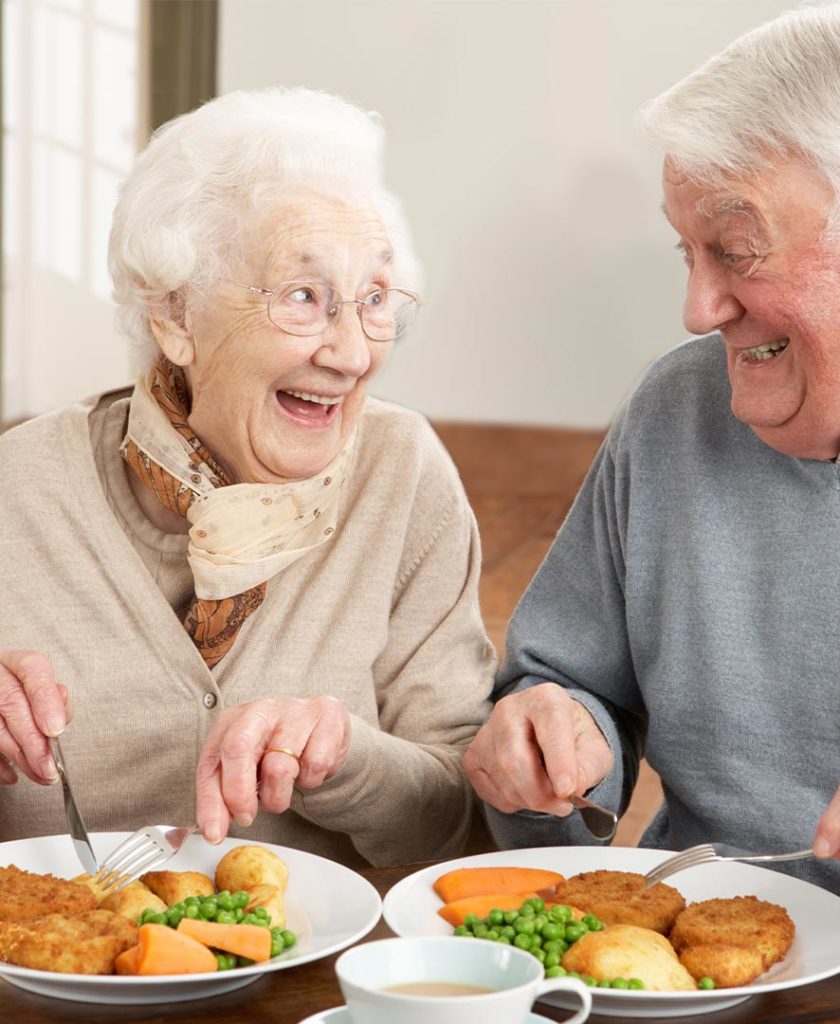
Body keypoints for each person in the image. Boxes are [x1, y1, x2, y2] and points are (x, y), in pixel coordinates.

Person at [463, 5, 840, 1022]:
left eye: (736, 248)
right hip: (666, 990)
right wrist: (544, 733)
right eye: (687, 251)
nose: (697, 308)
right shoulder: (673, 409)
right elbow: (562, 680)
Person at [0, 87, 496, 868]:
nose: (352, 352)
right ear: (173, 315)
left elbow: (457, 823)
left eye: (372, 300)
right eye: (303, 297)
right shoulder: (17, 489)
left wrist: (348, 759)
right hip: (46, 978)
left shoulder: (401, 476)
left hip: (315, 980)